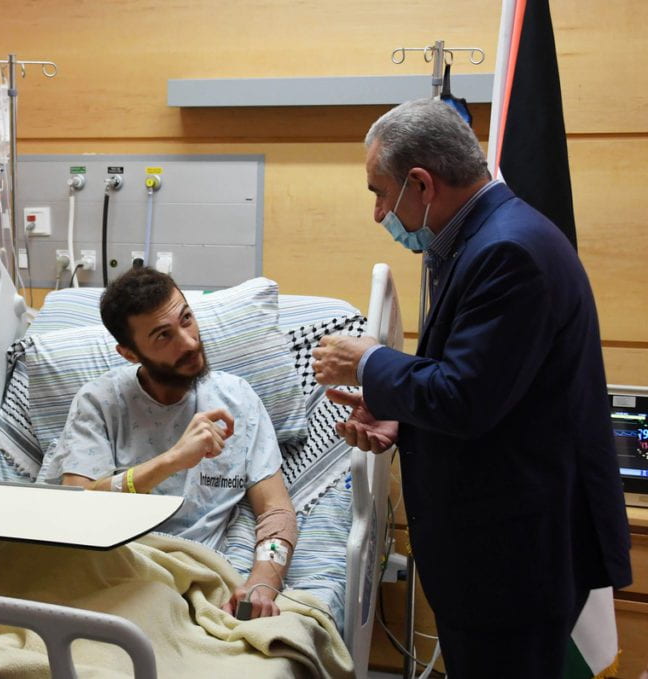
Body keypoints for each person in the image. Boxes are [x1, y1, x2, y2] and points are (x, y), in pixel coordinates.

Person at [310, 98, 632, 677]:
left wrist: (370, 362)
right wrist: (398, 414)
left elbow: (464, 397)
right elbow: (498, 391)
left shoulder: (507, 252)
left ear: (421, 184)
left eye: (379, 193)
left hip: (513, 558)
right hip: (499, 549)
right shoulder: (484, 241)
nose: (379, 212)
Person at [39, 267, 298, 620]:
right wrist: (172, 460)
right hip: (113, 568)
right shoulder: (101, 402)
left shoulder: (238, 399)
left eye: (187, 319)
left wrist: (263, 584)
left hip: (191, 578)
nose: (189, 342)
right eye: (163, 336)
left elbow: (276, 512)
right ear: (129, 353)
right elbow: (79, 506)